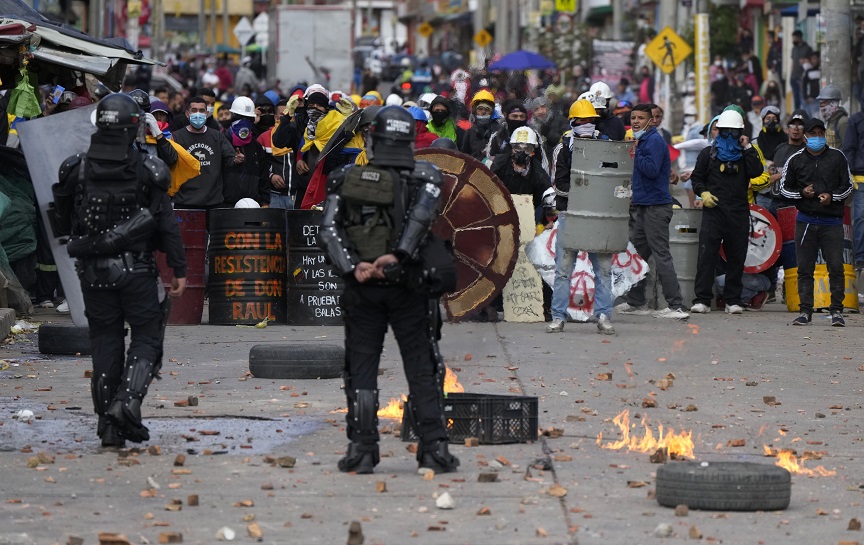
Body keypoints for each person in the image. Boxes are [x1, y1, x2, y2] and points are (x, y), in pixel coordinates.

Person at [318, 105, 460, 475]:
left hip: (362, 286)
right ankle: (434, 448)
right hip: (409, 284)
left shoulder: (345, 176)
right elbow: (423, 217)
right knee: (422, 368)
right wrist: (398, 256)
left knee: (361, 368)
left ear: (373, 137)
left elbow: (328, 231)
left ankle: (363, 449)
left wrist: (353, 266)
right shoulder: (427, 176)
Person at [51, 93, 187, 447]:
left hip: (92, 272)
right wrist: (179, 268)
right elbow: (166, 224)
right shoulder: (149, 169)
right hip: (137, 271)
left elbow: (61, 223)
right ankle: (126, 405)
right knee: (146, 338)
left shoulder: (74, 168)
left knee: (105, 343)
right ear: (134, 127)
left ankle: (108, 427)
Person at [546, 99, 616, 335]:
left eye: (590, 120)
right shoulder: (563, 148)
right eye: (582, 120)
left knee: (604, 270)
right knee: (564, 270)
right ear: (573, 122)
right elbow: (559, 184)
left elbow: (613, 177)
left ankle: (604, 315)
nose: (586, 124)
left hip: (599, 217)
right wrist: (587, 192)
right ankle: (558, 316)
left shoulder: (606, 145)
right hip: (571, 214)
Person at [612, 104, 689, 319]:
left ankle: (676, 306)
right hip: (643, 206)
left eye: (641, 118)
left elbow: (652, 170)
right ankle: (637, 302)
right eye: (633, 117)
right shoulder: (643, 140)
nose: (635, 121)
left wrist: (635, 152)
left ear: (651, 121)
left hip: (656, 207)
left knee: (661, 255)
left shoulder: (653, 141)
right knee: (637, 255)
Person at [689, 109, 764, 314]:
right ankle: (702, 299)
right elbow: (697, 179)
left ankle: (733, 300)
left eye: (734, 131)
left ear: (741, 132)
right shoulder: (708, 154)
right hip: (714, 211)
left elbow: (757, 171)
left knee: (736, 256)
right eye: (725, 131)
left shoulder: (746, 154)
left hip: (738, 211)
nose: (729, 135)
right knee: (707, 255)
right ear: (718, 131)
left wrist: (747, 147)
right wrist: (703, 193)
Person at [780, 117, 853, 326]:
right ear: (805, 136)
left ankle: (837, 311)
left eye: (821, 133)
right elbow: (785, 189)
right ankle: (805, 311)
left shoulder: (838, 157)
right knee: (804, 269)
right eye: (813, 134)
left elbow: (847, 187)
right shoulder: (795, 160)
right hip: (805, 222)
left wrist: (832, 197)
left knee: (836, 267)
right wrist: (803, 193)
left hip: (832, 223)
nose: (817, 138)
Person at [171, 96, 238, 210]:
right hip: (185, 203)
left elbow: (231, 159)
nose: (198, 114)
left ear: (207, 114)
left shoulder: (217, 136)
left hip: (213, 203)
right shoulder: (177, 137)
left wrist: (237, 160)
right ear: (187, 114)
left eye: (201, 111)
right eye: (194, 110)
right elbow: (170, 161)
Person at [842, 101, 864, 271]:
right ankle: (861, 258)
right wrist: (850, 171)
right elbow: (849, 148)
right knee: (860, 218)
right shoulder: (855, 121)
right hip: (860, 176)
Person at [460, 90, 500, 160]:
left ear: (492, 112)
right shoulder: (469, 133)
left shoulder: (498, 132)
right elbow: (463, 157)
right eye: (480, 109)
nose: (483, 112)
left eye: (487, 109)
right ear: (475, 111)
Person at [528, 96, 569, 160]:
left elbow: (566, 141)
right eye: (536, 109)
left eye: (543, 107)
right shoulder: (532, 126)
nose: (541, 111)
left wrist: (549, 134)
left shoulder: (560, 120)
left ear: (548, 108)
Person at [816, 84, 848, 149]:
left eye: (824, 102)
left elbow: (848, 147)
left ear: (834, 103)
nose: (821, 106)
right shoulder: (828, 121)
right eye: (820, 103)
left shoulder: (843, 122)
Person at [790, 30, 813, 109]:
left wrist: (806, 60)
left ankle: (804, 116)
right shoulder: (794, 49)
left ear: (799, 38)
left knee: (802, 98)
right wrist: (791, 75)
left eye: (795, 38)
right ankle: (796, 116)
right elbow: (793, 62)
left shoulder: (807, 48)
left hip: (802, 77)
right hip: (794, 76)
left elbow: (812, 62)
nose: (793, 40)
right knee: (796, 99)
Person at [801, 51, 822, 118]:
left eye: (815, 59)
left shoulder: (821, 71)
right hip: (813, 99)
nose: (814, 61)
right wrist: (806, 97)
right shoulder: (808, 72)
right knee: (814, 117)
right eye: (812, 59)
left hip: (821, 98)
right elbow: (804, 85)